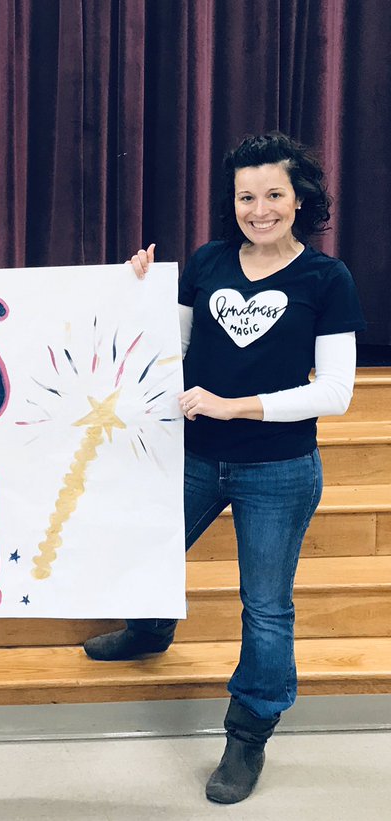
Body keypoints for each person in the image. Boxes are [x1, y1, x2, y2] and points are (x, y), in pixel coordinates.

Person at [82, 132, 365, 804]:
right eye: (246, 197)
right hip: (194, 456)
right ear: (231, 202)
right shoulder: (208, 262)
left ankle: (248, 735)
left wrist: (237, 406)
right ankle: (150, 631)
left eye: (274, 195)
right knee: (148, 549)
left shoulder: (327, 279)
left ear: (300, 200)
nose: (259, 209)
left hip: (279, 468)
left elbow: (336, 391)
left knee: (266, 608)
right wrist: (138, 292)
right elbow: (167, 348)